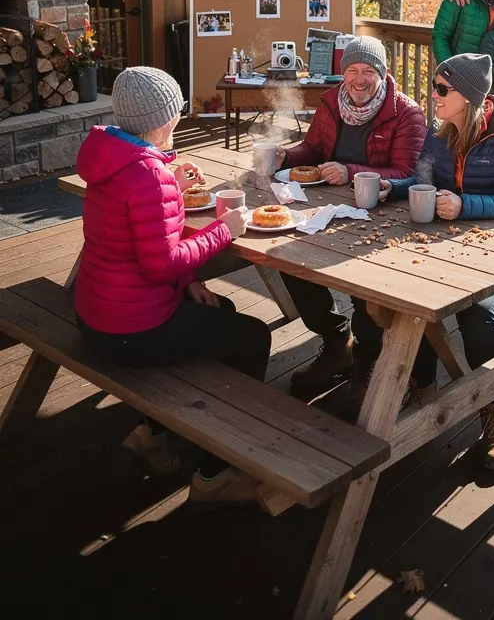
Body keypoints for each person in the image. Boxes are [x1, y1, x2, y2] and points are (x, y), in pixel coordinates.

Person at [74, 66, 270, 507]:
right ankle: (215, 472)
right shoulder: (148, 174)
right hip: (130, 333)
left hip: (96, 315)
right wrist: (225, 230)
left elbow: (141, 240)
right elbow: (161, 264)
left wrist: (191, 279)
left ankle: (153, 433)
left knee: (223, 314)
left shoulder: (110, 158)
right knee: (255, 338)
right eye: (177, 113)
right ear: (164, 120)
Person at [360, 53, 494, 471]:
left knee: (477, 315)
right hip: (452, 250)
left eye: (443, 90)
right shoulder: (440, 135)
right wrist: (394, 187)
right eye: (435, 87)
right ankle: (423, 388)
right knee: (407, 297)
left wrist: (464, 205)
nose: (434, 96)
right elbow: (422, 180)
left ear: (470, 96)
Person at [274, 36, 427, 397]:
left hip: (383, 215)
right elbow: (313, 147)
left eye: (369, 71)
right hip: (327, 206)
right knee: (286, 258)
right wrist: (286, 156)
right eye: (352, 71)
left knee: (364, 286)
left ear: (384, 74)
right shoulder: (331, 101)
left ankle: (368, 360)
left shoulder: (406, 112)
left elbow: (408, 172)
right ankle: (335, 340)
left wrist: (350, 171)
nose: (359, 80)